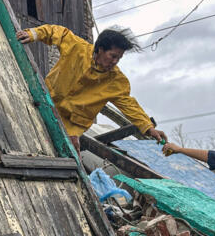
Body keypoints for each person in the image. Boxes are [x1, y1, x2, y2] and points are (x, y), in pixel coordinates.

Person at [16, 25, 167, 152]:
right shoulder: (77, 48)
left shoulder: (116, 81)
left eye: (119, 58)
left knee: (70, 152)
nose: (115, 62)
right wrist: (33, 34)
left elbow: (130, 106)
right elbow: (57, 32)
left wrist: (148, 128)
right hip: (46, 100)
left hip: (71, 124)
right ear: (100, 49)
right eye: (112, 56)